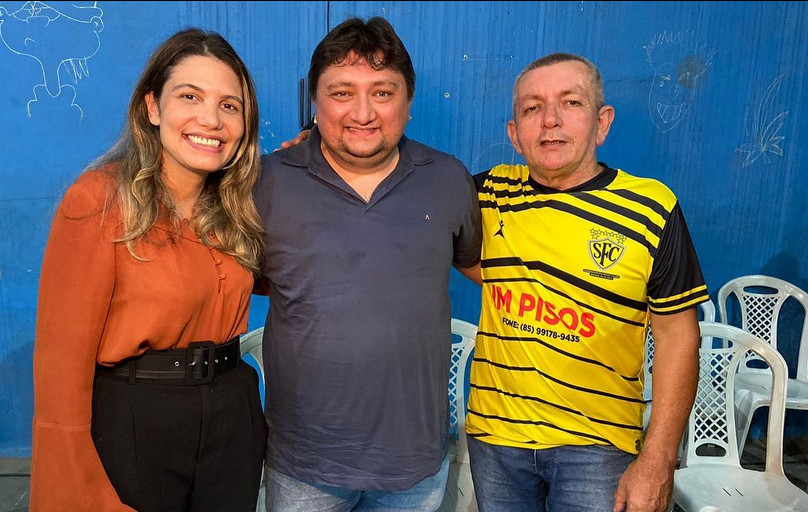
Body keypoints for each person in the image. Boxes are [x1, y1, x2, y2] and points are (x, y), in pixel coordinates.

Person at [30, 28, 266, 512]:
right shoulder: (98, 200)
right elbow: (60, 367)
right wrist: (74, 485)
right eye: (190, 97)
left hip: (233, 415)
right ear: (152, 107)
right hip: (139, 420)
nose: (211, 119)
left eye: (229, 105)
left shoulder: (239, 208)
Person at [253, 16, 482, 512]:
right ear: (315, 102)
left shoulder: (448, 179)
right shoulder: (265, 182)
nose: (362, 112)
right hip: (304, 463)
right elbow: (244, 280)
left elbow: (484, 268)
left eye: (382, 92)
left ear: (409, 102)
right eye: (342, 93)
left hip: (413, 463)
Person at [463, 53, 709, 512]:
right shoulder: (486, 194)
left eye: (571, 102)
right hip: (496, 440)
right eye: (532, 108)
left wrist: (659, 458)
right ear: (514, 134)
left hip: (598, 448)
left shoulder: (650, 209)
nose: (550, 120)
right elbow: (410, 196)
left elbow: (678, 337)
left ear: (602, 122)